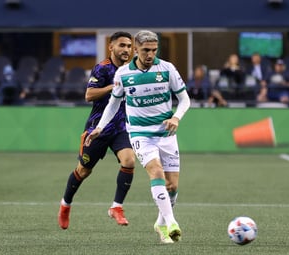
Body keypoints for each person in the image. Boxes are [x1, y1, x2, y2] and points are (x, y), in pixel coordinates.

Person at [84, 30, 191, 244]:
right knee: (155, 170)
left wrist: (177, 117)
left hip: (167, 134)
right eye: (145, 50)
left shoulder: (167, 69)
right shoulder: (123, 74)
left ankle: (160, 222)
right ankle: (171, 223)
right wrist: (100, 127)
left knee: (172, 187)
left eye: (154, 50)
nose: (150, 54)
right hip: (140, 134)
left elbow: (185, 99)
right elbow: (114, 103)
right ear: (136, 49)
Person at [57, 31, 135, 229]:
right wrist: (113, 87)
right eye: (122, 45)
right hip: (97, 128)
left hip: (121, 127)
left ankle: (116, 207)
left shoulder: (134, 70)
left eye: (129, 46)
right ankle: (65, 204)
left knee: (129, 160)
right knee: (83, 171)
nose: (126, 49)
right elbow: (89, 95)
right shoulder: (102, 69)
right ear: (111, 47)